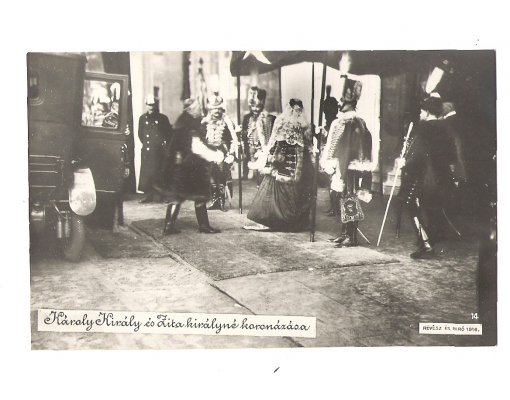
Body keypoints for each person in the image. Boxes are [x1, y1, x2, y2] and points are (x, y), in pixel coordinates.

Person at [399, 96, 461, 258]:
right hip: (442, 176)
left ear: (427, 112)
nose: (420, 114)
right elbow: (452, 155)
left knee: (411, 205)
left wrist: (404, 163)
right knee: (433, 208)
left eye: (422, 111)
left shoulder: (424, 129)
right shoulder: (446, 128)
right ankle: (432, 240)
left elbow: (419, 155)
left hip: (425, 176)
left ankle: (426, 245)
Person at [153, 98, 224, 234]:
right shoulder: (190, 125)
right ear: (190, 110)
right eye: (197, 107)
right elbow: (197, 147)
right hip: (191, 166)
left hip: (180, 167)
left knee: (177, 196)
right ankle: (203, 226)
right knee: (199, 195)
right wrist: (216, 155)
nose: (200, 109)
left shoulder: (182, 122)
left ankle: (169, 226)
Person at [245, 98, 313, 232]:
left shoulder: (293, 124)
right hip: (291, 164)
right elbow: (279, 144)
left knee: (294, 192)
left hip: (294, 164)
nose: (297, 112)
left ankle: (286, 221)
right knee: (287, 192)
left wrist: (273, 157)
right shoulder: (295, 124)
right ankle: (288, 221)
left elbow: (279, 144)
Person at [321, 77, 373, 248]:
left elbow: (358, 147)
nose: (340, 103)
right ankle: (344, 233)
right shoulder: (341, 121)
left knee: (350, 197)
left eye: (343, 100)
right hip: (341, 165)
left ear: (350, 103)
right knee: (342, 197)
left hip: (351, 167)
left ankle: (352, 236)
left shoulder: (356, 122)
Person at [201, 92, 238, 211]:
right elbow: (201, 139)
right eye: (214, 108)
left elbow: (233, 139)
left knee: (222, 177)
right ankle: (215, 200)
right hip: (209, 152)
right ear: (210, 109)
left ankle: (222, 201)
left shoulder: (227, 122)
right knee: (211, 177)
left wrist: (231, 153)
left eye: (218, 108)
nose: (216, 111)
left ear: (222, 109)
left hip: (223, 152)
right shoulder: (205, 122)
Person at [138, 94, 172, 203]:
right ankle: (149, 195)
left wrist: (161, 145)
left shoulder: (162, 118)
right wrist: (147, 144)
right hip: (148, 150)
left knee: (160, 173)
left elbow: (168, 134)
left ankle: (163, 196)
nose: (151, 107)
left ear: (156, 105)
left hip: (159, 151)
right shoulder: (142, 118)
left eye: (153, 105)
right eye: (149, 105)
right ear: (146, 105)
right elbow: (140, 134)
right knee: (147, 173)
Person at [241, 87, 276, 185]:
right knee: (251, 160)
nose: (256, 109)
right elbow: (244, 131)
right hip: (250, 144)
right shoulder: (247, 117)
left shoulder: (266, 118)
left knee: (261, 165)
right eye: (253, 106)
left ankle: (260, 181)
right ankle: (249, 176)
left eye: (258, 107)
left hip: (262, 145)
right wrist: (245, 133)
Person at [319, 85, 339, 217]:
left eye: (328, 112)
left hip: (334, 157)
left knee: (334, 184)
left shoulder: (336, 124)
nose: (327, 115)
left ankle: (336, 208)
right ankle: (334, 207)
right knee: (330, 183)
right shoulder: (328, 124)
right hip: (328, 157)